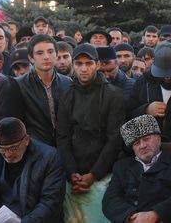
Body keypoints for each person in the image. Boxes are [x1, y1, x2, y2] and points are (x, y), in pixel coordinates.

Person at [56, 44, 125, 222]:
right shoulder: (66, 95)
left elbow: (114, 139)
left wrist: (94, 174)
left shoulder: (113, 95)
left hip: (104, 175)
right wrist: (72, 173)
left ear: (97, 65)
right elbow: (62, 137)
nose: (84, 68)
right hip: (74, 178)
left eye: (88, 63)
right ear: (73, 65)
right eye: (79, 63)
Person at [0, 117, 66, 222]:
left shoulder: (49, 158)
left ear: (26, 140)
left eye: (13, 148)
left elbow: (50, 202)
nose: (8, 154)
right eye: (2, 149)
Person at [102, 115, 171, 223]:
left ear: (159, 139)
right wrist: (131, 217)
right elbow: (110, 200)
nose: (142, 146)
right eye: (136, 143)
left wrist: (156, 214)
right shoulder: (121, 167)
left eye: (146, 139)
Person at [128, 42, 171, 142]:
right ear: (153, 63)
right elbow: (129, 114)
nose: (167, 77)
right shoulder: (143, 81)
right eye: (162, 73)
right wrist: (146, 110)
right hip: (152, 150)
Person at [16, 34, 72, 146]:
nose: (46, 57)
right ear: (31, 58)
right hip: (34, 148)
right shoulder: (18, 85)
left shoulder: (68, 83)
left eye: (50, 52)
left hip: (66, 147)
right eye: (40, 53)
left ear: (56, 55)